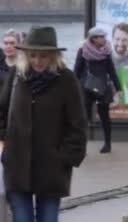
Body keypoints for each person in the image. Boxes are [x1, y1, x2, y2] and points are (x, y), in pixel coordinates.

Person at [0, 26, 86, 222]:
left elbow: (78, 124)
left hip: (51, 168)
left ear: (54, 56)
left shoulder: (66, 80)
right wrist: (6, 143)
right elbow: (1, 110)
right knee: (22, 218)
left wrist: (64, 158)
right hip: (17, 165)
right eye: (33, 55)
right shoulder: (16, 76)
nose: (38, 61)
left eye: (43, 56)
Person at [74, 27, 122, 154]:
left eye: (104, 36)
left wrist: (119, 88)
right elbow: (76, 71)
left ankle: (107, 144)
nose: (104, 39)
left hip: (103, 88)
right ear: (94, 38)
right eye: (101, 36)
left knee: (105, 116)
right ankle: (82, 147)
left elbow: (111, 71)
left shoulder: (106, 52)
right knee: (84, 118)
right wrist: (73, 88)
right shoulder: (83, 51)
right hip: (86, 88)